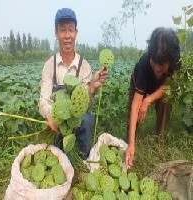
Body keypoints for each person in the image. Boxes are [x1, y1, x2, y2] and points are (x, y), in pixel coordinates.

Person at [38, 8, 108, 159]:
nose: (67, 35)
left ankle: (83, 155)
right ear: (56, 34)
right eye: (62, 30)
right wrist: (51, 115)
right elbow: (43, 100)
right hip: (57, 121)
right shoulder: (50, 65)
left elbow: (84, 106)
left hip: (78, 119)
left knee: (87, 119)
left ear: (76, 32)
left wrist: (92, 88)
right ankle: (60, 154)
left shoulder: (85, 66)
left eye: (70, 30)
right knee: (57, 151)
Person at [125, 27, 181, 169]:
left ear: (170, 61)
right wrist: (132, 144)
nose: (156, 68)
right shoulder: (144, 65)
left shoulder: (175, 62)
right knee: (132, 117)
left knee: (166, 98)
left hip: (161, 85)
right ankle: (130, 145)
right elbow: (135, 105)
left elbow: (167, 86)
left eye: (161, 64)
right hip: (139, 81)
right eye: (154, 62)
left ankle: (160, 139)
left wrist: (148, 100)